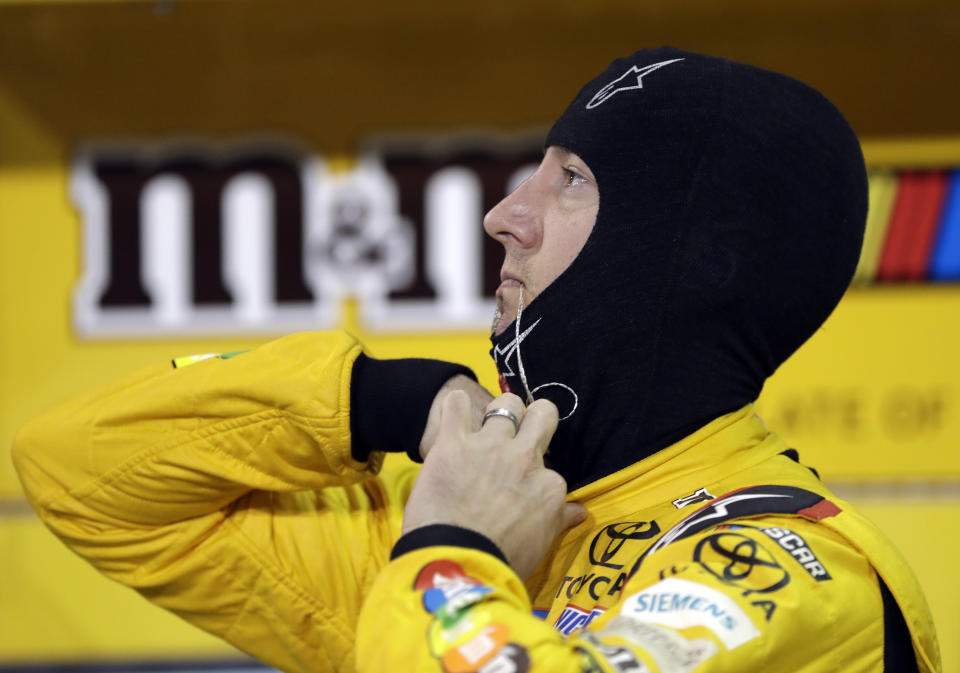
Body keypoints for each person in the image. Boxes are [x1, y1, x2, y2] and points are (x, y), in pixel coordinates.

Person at [12, 47, 940, 673]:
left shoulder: (797, 571)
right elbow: (78, 472)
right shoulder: (486, 497)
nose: (504, 214)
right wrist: (369, 400)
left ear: (693, 256)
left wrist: (456, 552)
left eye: (571, 179)